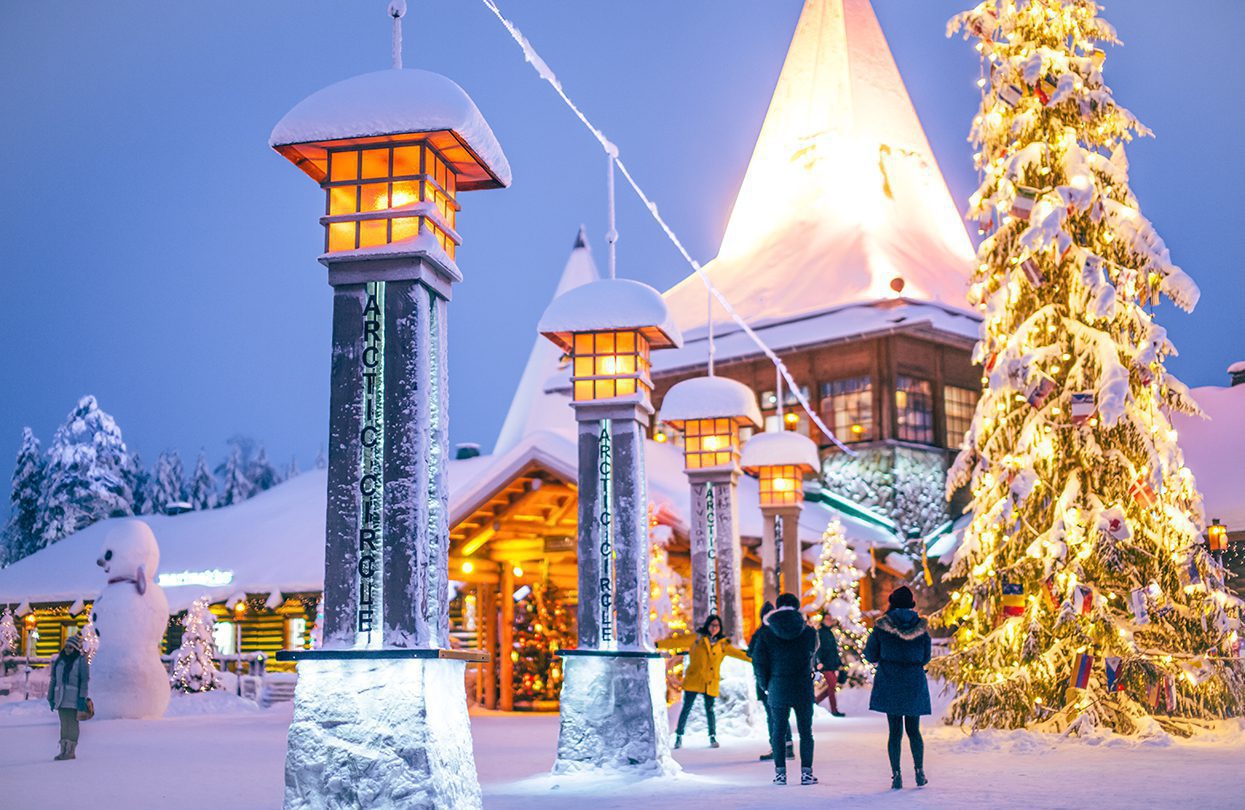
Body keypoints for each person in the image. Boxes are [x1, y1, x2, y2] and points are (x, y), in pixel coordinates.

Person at [864, 586, 932, 790]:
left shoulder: (881, 627)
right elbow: (926, 657)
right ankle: (919, 772)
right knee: (914, 730)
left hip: (890, 680)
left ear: (892, 603)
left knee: (895, 732)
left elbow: (870, 655)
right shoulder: (921, 628)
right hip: (913, 680)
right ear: (911, 604)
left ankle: (897, 775)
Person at [752, 592, 819, 786]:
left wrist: (766, 684)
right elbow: (813, 653)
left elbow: (759, 661)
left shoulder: (766, 632)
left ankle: (780, 774)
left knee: (778, 730)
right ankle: (806, 774)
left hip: (778, 685)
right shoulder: (808, 631)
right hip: (802, 686)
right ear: (796, 607)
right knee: (806, 731)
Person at [658, 613, 749, 749]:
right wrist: (657, 644)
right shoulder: (697, 639)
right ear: (707, 625)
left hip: (710, 682)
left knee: (710, 710)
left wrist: (756, 658)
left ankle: (712, 736)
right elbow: (678, 642)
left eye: (717, 626)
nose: (714, 628)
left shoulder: (722, 645)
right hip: (694, 679)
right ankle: (679, 736)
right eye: (712, 625)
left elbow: (740, 654)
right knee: (686, 709)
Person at [748, 601, 791, 761]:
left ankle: (777, 748)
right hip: (781, 678)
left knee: (773, 716)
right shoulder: (781, 631)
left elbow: (752, 653)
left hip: (767, 680)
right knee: (781, 714)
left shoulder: (761, 633)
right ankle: (787, 747)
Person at [47, 633, 90, 761]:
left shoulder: (81, 661)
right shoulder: (59, 661)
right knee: (63, 724)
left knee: (72, 724)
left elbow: (84, 681)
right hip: (60, 697)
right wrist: (50, 697)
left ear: (75, 649)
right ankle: (63, 750)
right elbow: (53, 679)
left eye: (71, 647)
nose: (68, 650)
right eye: (66, 647)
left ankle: (70, 750)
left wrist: (82, 697)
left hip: (73, 698)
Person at [815, 614, 846, 717]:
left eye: (830, 619)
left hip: (832, 664)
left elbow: (834, 651)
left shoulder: (829, 633)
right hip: (825, 664)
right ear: (823, 620)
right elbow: (818, 648)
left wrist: (838, 664)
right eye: (827, 619)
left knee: (831, 687)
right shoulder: (820, 632)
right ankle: (834, 710)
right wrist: (819, 662)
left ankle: (815, 702)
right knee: (832, 686)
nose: (829, 621)